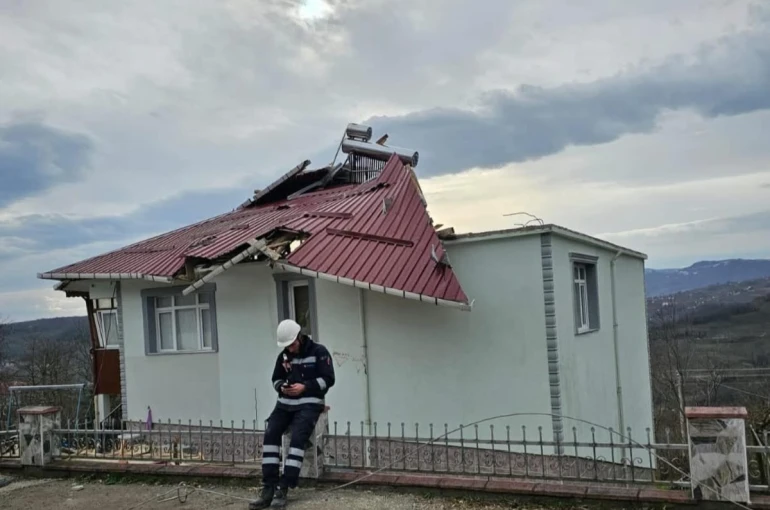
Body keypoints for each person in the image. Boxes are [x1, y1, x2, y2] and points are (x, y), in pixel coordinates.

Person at [249, 319, 335, 509]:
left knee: (298, 439)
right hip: (285, 404)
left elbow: (329, 379)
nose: (290, 349)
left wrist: (305, 387)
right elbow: (275, 379)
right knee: (271, 433)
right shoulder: (284, 356)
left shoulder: (319, 352)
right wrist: (283, 387)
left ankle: (284, 486)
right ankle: (268, 486)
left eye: (292, 344)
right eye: (287, 346)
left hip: (309, 404)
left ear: (300, 337)